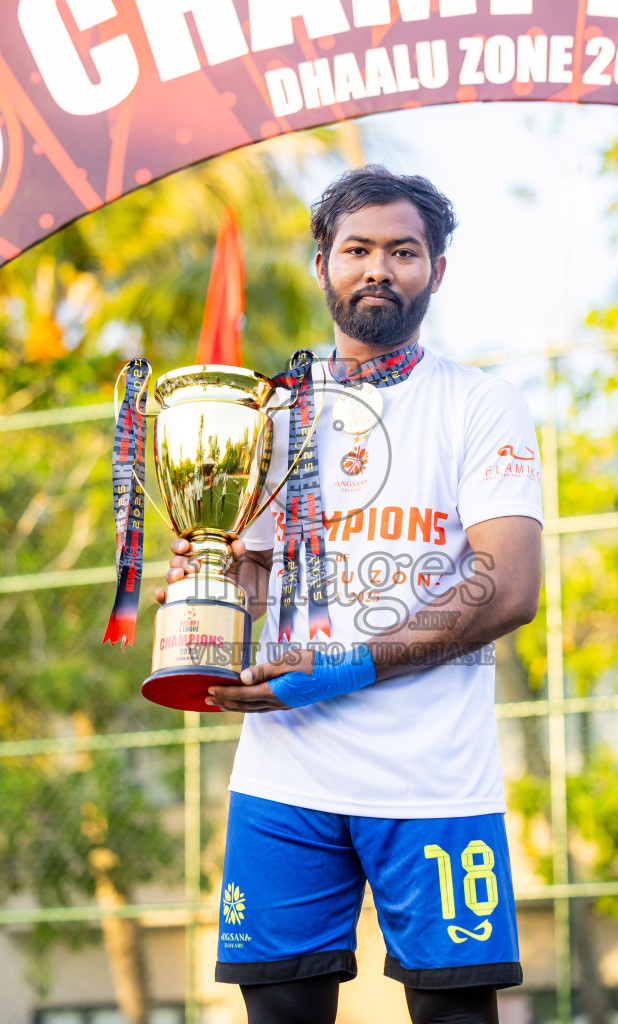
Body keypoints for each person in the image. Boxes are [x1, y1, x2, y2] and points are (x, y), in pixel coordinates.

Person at [156, 166, 543, 1024]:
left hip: (435, 784)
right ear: (321, 265)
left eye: (403, 251)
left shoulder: (482, 403)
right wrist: (209, 586)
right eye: (357, 249)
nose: (378, 269)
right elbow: (261, 571)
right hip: (284, 779)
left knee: (455, 1018)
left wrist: (347, 665)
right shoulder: (271, 413)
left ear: (436, 271)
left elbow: (508, 587)